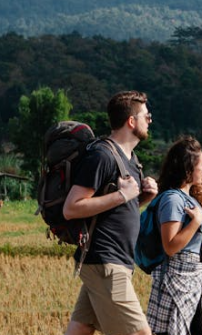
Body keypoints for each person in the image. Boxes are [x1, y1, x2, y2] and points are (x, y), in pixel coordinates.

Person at [62, 90, 159, 335]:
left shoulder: (131, 160)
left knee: (81, 329)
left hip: (116, 261)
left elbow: (113, 210)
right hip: (106, 262)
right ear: (131, 121)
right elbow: (71, 208)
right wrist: (121, 195)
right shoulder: (102, 156)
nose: (150, 120)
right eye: (146, 116)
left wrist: (142, 198)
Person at [146, 136, 202, 335]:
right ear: (188, 170)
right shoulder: (173, 200)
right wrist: (196, 222)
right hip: (179, 282)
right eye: (200, 166)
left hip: (194, 280)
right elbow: (170, 245)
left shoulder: (188, 195)